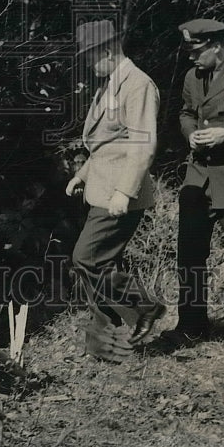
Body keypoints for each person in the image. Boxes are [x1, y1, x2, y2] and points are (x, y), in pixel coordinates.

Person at [161, 18, 224, 347]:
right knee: (189, 254)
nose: (190, 56)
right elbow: (186, 112)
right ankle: (192, 326)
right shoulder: (193, 76)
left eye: (196, 50)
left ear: (216, 47)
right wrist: (191, 135)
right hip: (200, 178)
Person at [66, 20, 165, 358]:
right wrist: (82, 174)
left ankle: (144, 308)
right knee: (99, 264)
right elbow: (107, 141)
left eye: (90, 57)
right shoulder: (110, 83)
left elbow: (141, 146)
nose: (88, 65)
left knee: (86, 258)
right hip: (102, 190)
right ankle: (105, 343)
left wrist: (125, 191)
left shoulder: (138, 85)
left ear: (107, 51)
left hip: (120, 195)